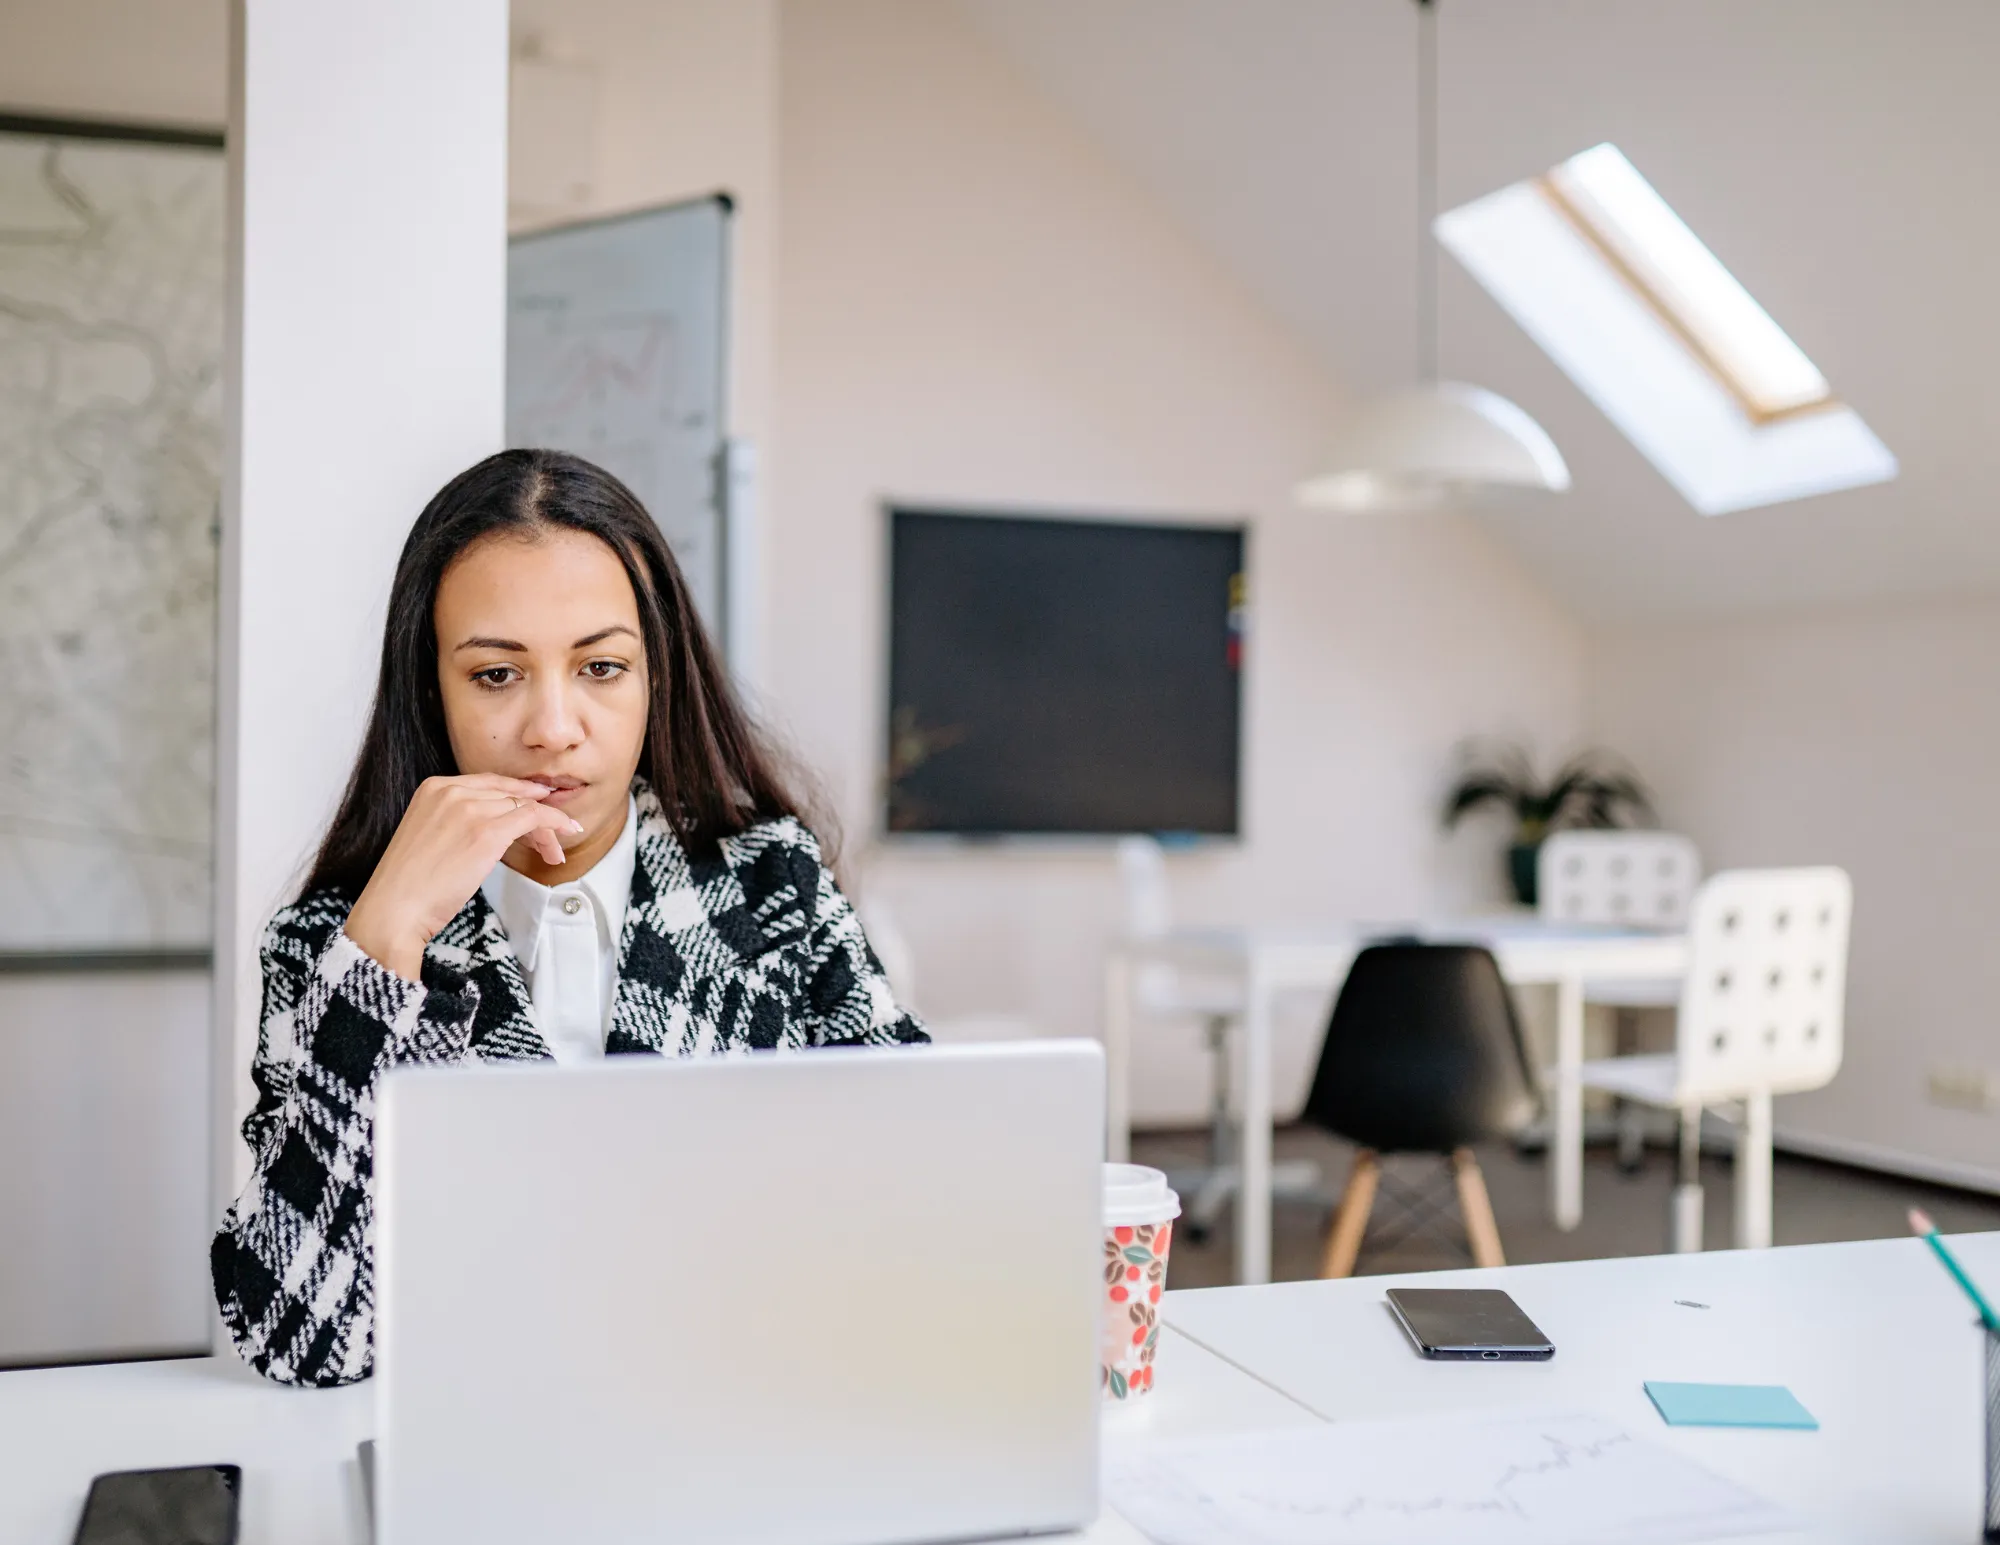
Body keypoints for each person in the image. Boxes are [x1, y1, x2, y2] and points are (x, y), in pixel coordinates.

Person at [211, 449, 924, 1387]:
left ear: (654, 679)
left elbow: (919, 1194)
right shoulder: (333, 943)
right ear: (434, 689)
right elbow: (293, 1341)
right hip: (465, 1446)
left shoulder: (767, 880)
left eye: (600, 666)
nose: (554, 726)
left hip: (734, 1409)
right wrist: (385, 943)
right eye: (498, 675)